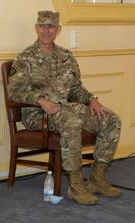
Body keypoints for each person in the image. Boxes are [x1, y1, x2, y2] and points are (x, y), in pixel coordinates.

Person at [7, 10, 121, 204]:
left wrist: (91, 99)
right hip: (37, 114)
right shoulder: (25, 58)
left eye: (51, 26)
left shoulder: (66, 56)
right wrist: (41, 100)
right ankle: (76, 186)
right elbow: (14, 91)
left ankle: (97, 179)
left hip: (66, 109)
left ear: (58, 30)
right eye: (42, 26)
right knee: (71, 121)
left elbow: (75, 88)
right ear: (36, 28)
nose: (46, 30)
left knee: (111, 119)